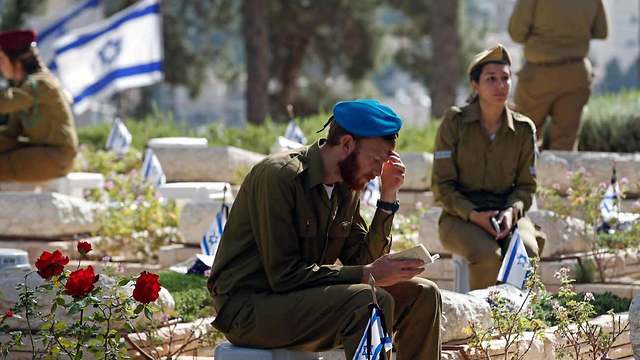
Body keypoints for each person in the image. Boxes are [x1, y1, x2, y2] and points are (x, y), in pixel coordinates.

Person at [208, 99, 442, 359]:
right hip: (249, 310)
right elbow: (284, 276)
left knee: (423, 294)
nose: (378, 173)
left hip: (303, 299)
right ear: (346, 144)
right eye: (375, 160)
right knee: (367, 301)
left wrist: (388, 198)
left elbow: (364, 261)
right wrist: (367, 274)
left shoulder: (347, 187)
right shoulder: (279, 176)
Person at [432, 45, 545, 291]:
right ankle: (481, 326)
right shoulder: (455, 123)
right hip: (460, 217)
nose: (500, 85)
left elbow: (526, 187)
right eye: (491, 79)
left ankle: (516, 321)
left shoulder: (523, 129)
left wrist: (510, 213)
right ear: (475, 85)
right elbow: (442, 186)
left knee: (527, 250)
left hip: (507, 214)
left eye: (505, 78)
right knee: (487, 256)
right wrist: (474, 215)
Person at [509, 0, 608, 151]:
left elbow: (516, 33)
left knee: (522, 141)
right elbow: (601, 31)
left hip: (539, 74)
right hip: (576, 73)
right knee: (564, 146)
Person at [0, 29, 78, 182]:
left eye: (2, 59)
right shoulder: (24, 88)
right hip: (38, 151)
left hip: (57, 156)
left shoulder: (41, 83)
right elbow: (11, 134)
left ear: (16, 60)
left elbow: (4, 103)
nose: (0, 66)